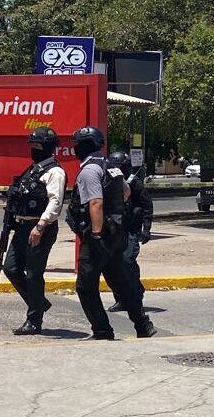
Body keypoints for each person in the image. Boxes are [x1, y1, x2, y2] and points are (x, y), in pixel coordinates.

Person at [66, 127, 154, 340]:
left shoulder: (89, 170)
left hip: (99, 236)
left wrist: (96, 234)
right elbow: (126, 191)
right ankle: (143, 325)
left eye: (77, 144)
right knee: (121, 283)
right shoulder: (111, 166)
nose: (75, 148)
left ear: (85, 145)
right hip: (117, 234)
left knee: (86, 286)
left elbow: (95, 202)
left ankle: (103, 330)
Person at [1, 127, 65, 336]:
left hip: (40, 227)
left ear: (48, 148)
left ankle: (34, 321)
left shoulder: (55, 172)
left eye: (37, 146)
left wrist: (41, 225)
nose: (34, 150)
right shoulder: (33, 169)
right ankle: (39, 302)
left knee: (34, 274)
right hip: (23, 226)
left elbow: (55, 202)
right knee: (10, 267)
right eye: (32, 146)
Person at [106, 150, 153, 313]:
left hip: (131, 230)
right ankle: (120, 299)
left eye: (121, 168)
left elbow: (147, 205)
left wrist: (146, 228)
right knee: (112, 265)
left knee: (127, 261)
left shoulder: (135, 183)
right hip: (114, 230)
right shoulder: (110, 183)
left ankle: (136, 292)